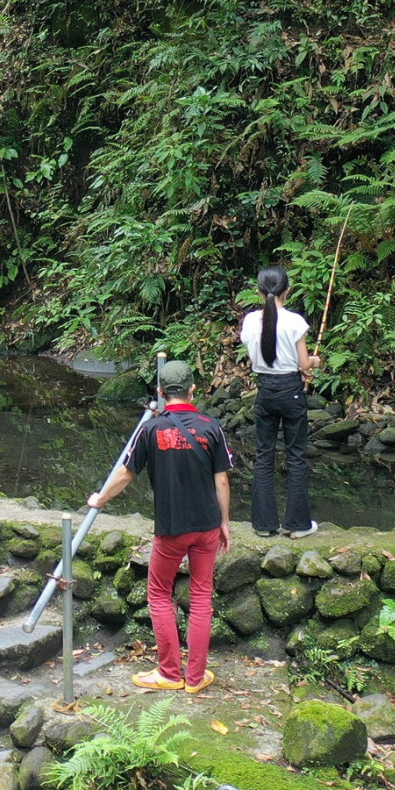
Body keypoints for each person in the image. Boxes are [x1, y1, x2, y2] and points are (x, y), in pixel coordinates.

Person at [86, 359, 231, 693]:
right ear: (193, 390)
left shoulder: (150, 430)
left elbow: (125, 473)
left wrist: (100, 500)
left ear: (161, 393)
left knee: (159, 594)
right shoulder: (212, 426)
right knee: (200, 597)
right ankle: (195, 678)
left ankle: (169, 672)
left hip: (172, 529)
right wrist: (224, 522)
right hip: (207, 526)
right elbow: (221, 481)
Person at [242, 265, 316, 539]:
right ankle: (297, 526)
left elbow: (254, 359)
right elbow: (304, 363)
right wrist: (314, 363)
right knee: (296, 456)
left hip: (266, 390)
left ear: (260, 292)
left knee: (264, 454)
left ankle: (263, 525)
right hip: (291, 390)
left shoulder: (250, 321)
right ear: (288, 290)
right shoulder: (296, 321)